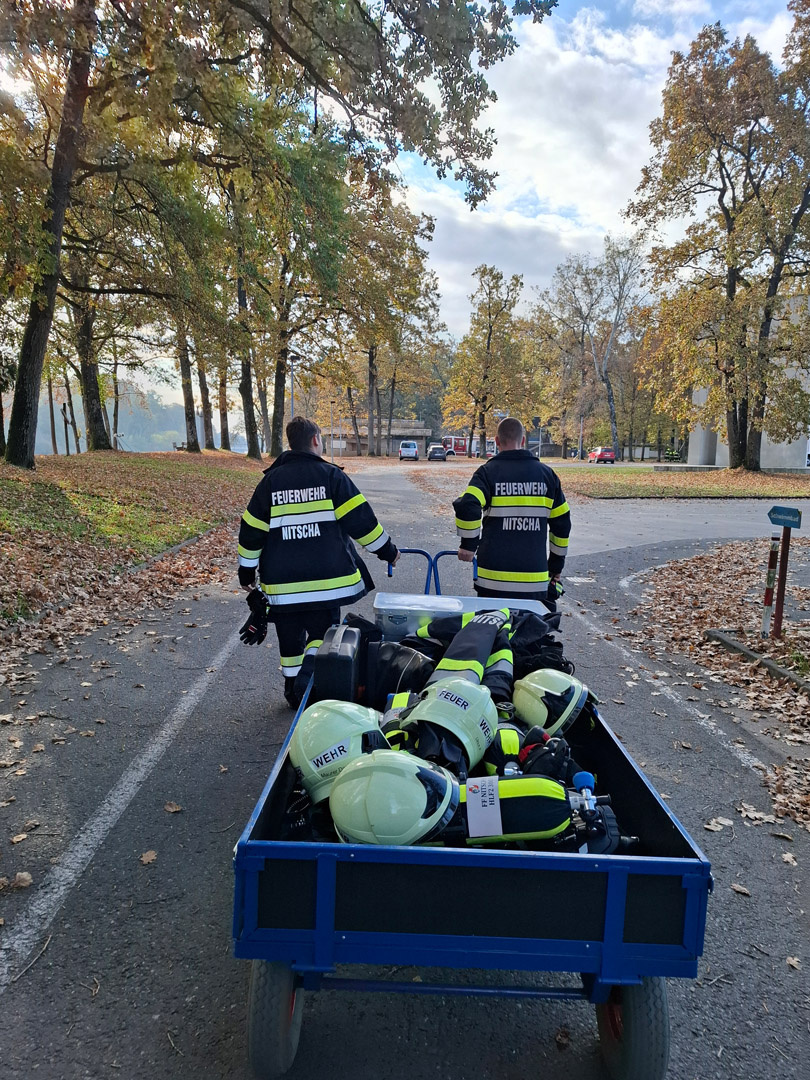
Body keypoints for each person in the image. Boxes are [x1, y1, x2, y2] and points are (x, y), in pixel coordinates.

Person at [237, 416, 399, 706]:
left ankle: (292, 690)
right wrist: (388, 551)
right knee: (323, 636)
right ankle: (311, 677)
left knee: (289, 642)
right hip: (327, 586)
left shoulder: (270, 482)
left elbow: (252, 530)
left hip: (284, 589)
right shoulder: (331, 477)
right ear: (315, 440)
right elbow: (362, 522)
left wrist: (246, 570)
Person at [453, 417, 570, 609]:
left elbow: (468, 504)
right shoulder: (547, 476)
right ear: (523, 441)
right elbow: (562, 525)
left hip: (492, 580)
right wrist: (556, 566)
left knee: (491, 627)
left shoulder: (487, 473)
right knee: (531, 627)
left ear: (497, 441)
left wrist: (468, 545)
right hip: (534, 580)